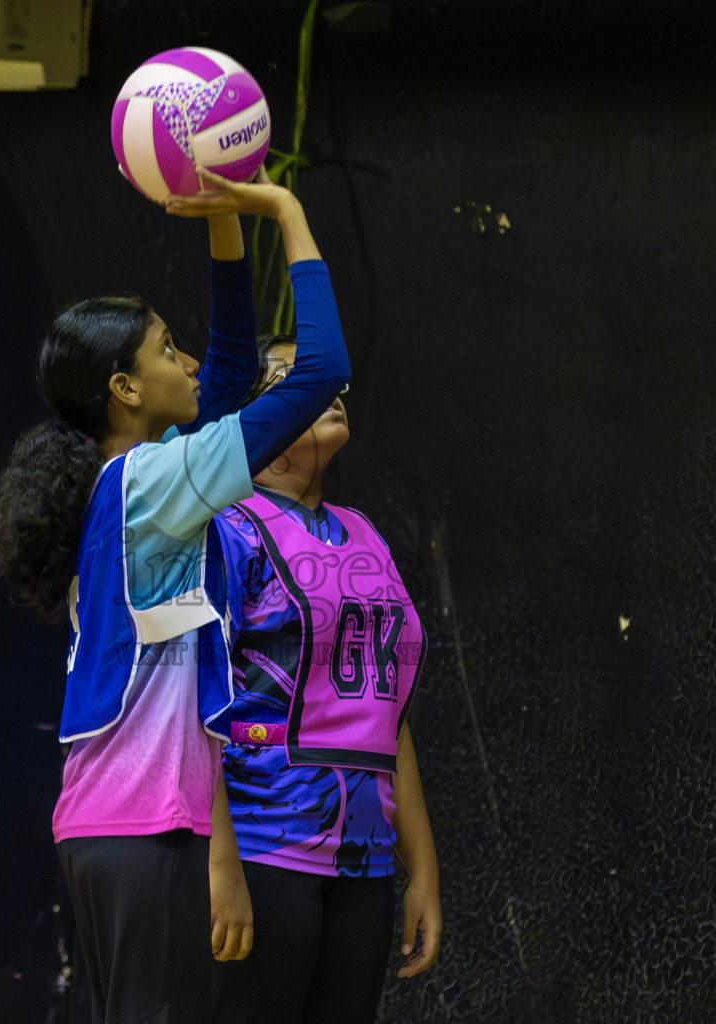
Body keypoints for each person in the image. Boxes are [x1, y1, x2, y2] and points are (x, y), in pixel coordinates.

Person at [0, 167, 350, 1024]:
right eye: (163, 349)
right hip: (144, 831)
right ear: (125, 389)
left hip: (109, 829)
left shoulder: (125, 483)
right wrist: (283, 211)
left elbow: (225, 370)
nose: (187, 360)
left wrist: (221, 221)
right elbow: (318, 367)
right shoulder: (154, 484)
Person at [208, 337, 442, 1024]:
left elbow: (387, 716)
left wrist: (421, 869)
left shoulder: (364, 533)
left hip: (364, 858)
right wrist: (218, 865)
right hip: (262, 843)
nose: (328, 386)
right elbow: (196, 709)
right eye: (292, 376)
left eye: (327, 376)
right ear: (255, 422)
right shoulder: (229, 532)